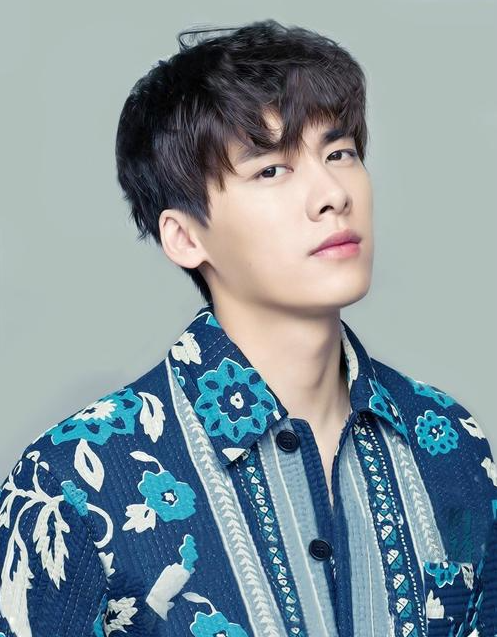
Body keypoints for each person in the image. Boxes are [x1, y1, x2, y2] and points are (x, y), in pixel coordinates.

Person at [0, 18, 495, 637]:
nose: (331, 194)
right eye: (271, 170)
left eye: (339, 154)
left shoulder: (449, 441)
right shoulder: (72, 484)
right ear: (185, 237)